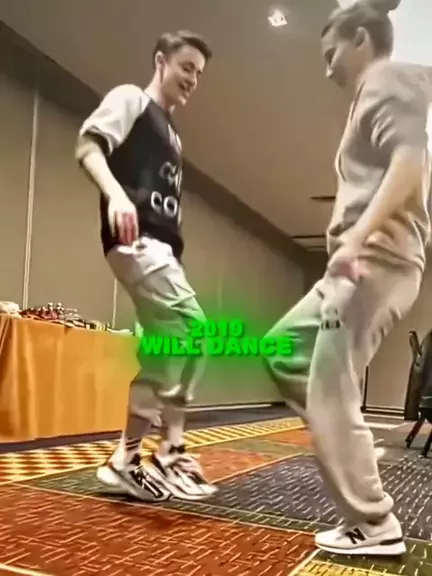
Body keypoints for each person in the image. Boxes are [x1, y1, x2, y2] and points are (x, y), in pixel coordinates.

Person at [264, 0, 431, 557]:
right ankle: (345, 439)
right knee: (282, 351)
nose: (327, 67)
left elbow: (409, 164)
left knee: (331, 389)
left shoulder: (389, 79)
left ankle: (374, 522)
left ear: (361, 39)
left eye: (330, 51)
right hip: (355, 265)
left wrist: (357, 238)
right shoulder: (374, 92)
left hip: (375, 261)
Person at [75, 30, 217, 502]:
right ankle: (171, 449)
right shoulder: (131, 100)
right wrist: (115, 195)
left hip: (161, 250)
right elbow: (88, 146)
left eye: (199, 73)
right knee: (197, 332)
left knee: (162, 356)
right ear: (161, 61)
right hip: (137, 241)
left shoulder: (173, 133)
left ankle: (126, 459)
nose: (192, 78)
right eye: (186, 67)